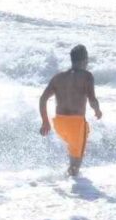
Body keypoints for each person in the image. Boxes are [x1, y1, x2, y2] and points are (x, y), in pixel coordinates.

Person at [39, 44, 102, 176]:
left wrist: (45, 121)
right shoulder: (87, 76)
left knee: (74, 150)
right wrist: (97, 110)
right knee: (75, 165)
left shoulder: (58, 77)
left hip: (59, 123)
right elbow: (92, 99)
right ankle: (73, 189)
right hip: (76, 123)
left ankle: (66, 184)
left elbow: (43, 98)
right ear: (85, 60)